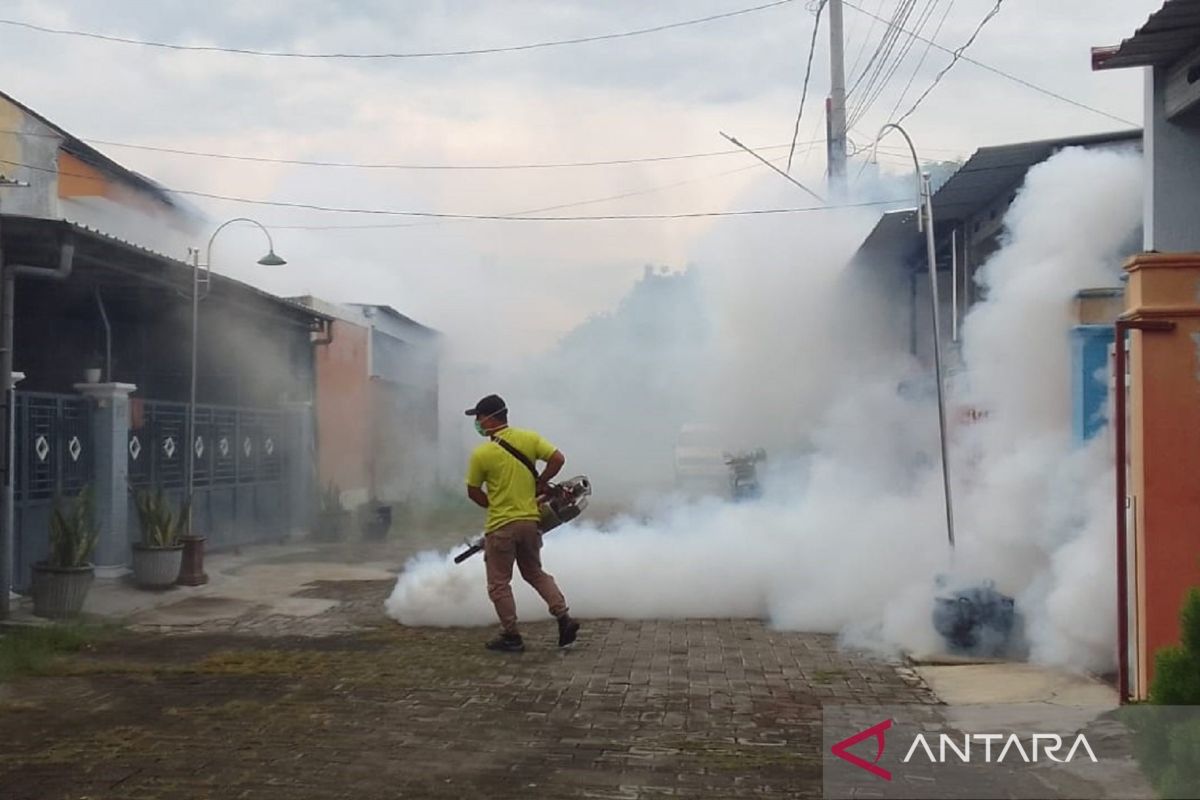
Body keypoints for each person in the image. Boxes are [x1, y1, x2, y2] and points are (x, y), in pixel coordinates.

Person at [464, 394, 580, 652]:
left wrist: (493, 505)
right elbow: (558, 459)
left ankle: (511, 635)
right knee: (535, 573)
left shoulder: (482, 453)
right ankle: (564, 617)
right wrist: (540, 482)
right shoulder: (529, 438)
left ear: (491, 418)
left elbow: (473, 491)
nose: (478, 423)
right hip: (531, 523)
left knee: (499, 583)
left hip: (501, 527)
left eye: (480, 418)